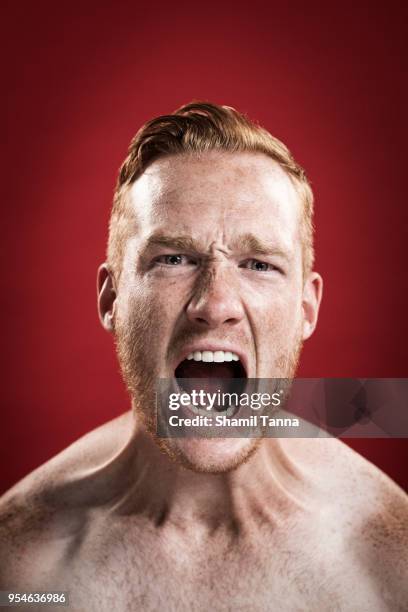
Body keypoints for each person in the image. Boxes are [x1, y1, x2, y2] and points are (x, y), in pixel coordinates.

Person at [0, 102, 407, 611]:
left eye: (258, 264)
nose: (215, 305)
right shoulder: (20, 569)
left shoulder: (388, 557)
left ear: (307, 308)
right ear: (112, 300)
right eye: (174, 259)